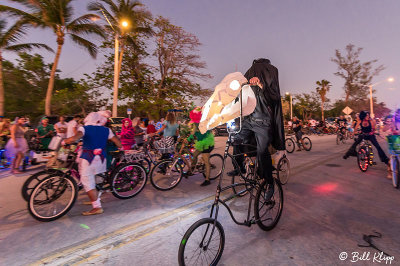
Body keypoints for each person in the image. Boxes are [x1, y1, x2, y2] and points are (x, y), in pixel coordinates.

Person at [227, 58, 285, 197]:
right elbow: (238, 100)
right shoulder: (247, 85)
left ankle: (269, 183)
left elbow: (275, 98)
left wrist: (260, 84)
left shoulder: (268, 85)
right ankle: (239, 166)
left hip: (263, 122)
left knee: (262, 150)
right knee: (235, 139)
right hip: (248, 120)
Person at [63, 112, 122, 215]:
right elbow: (117, 141)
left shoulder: (84, 128)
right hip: (101, 159)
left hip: (88, 159)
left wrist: (65, 141)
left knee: (87, 181)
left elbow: (74, 138)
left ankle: (97, 207)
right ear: (98, 120)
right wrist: (120, 147)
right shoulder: (106, 130)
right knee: (97, 180)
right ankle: (95, 199)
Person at [186, 107, 215, 186]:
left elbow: (206, 132)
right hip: (200, 143)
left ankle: (207, 180)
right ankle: (191, 169)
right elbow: (193, 132)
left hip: (207, 143)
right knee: (194, 156)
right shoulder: (195, 123)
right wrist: (188, 139)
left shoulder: (206, 123)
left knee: (206, 162)